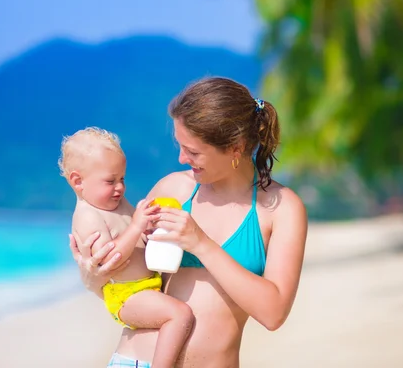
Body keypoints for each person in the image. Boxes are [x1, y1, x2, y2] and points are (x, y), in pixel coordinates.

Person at [68, 77, 309, 367]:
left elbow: (273, 313)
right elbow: (124, 280)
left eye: (193, 151)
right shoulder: (173, 189)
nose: (182, 158)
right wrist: (92, 277)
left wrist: (200, 243)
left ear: (235, 147)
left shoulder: (280, 208)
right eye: (180, 146)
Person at [58, 127, 195, 368]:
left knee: (177, 313)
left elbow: (137, 233)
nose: (120, 187)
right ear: (78, 181)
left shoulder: (117, 203)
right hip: (126, 294)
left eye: (122, 179)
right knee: (179, 315)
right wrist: (136, 225)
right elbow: (109, 260)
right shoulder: (87, 216)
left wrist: (149, 226)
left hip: (145, 287)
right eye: (110, 181)